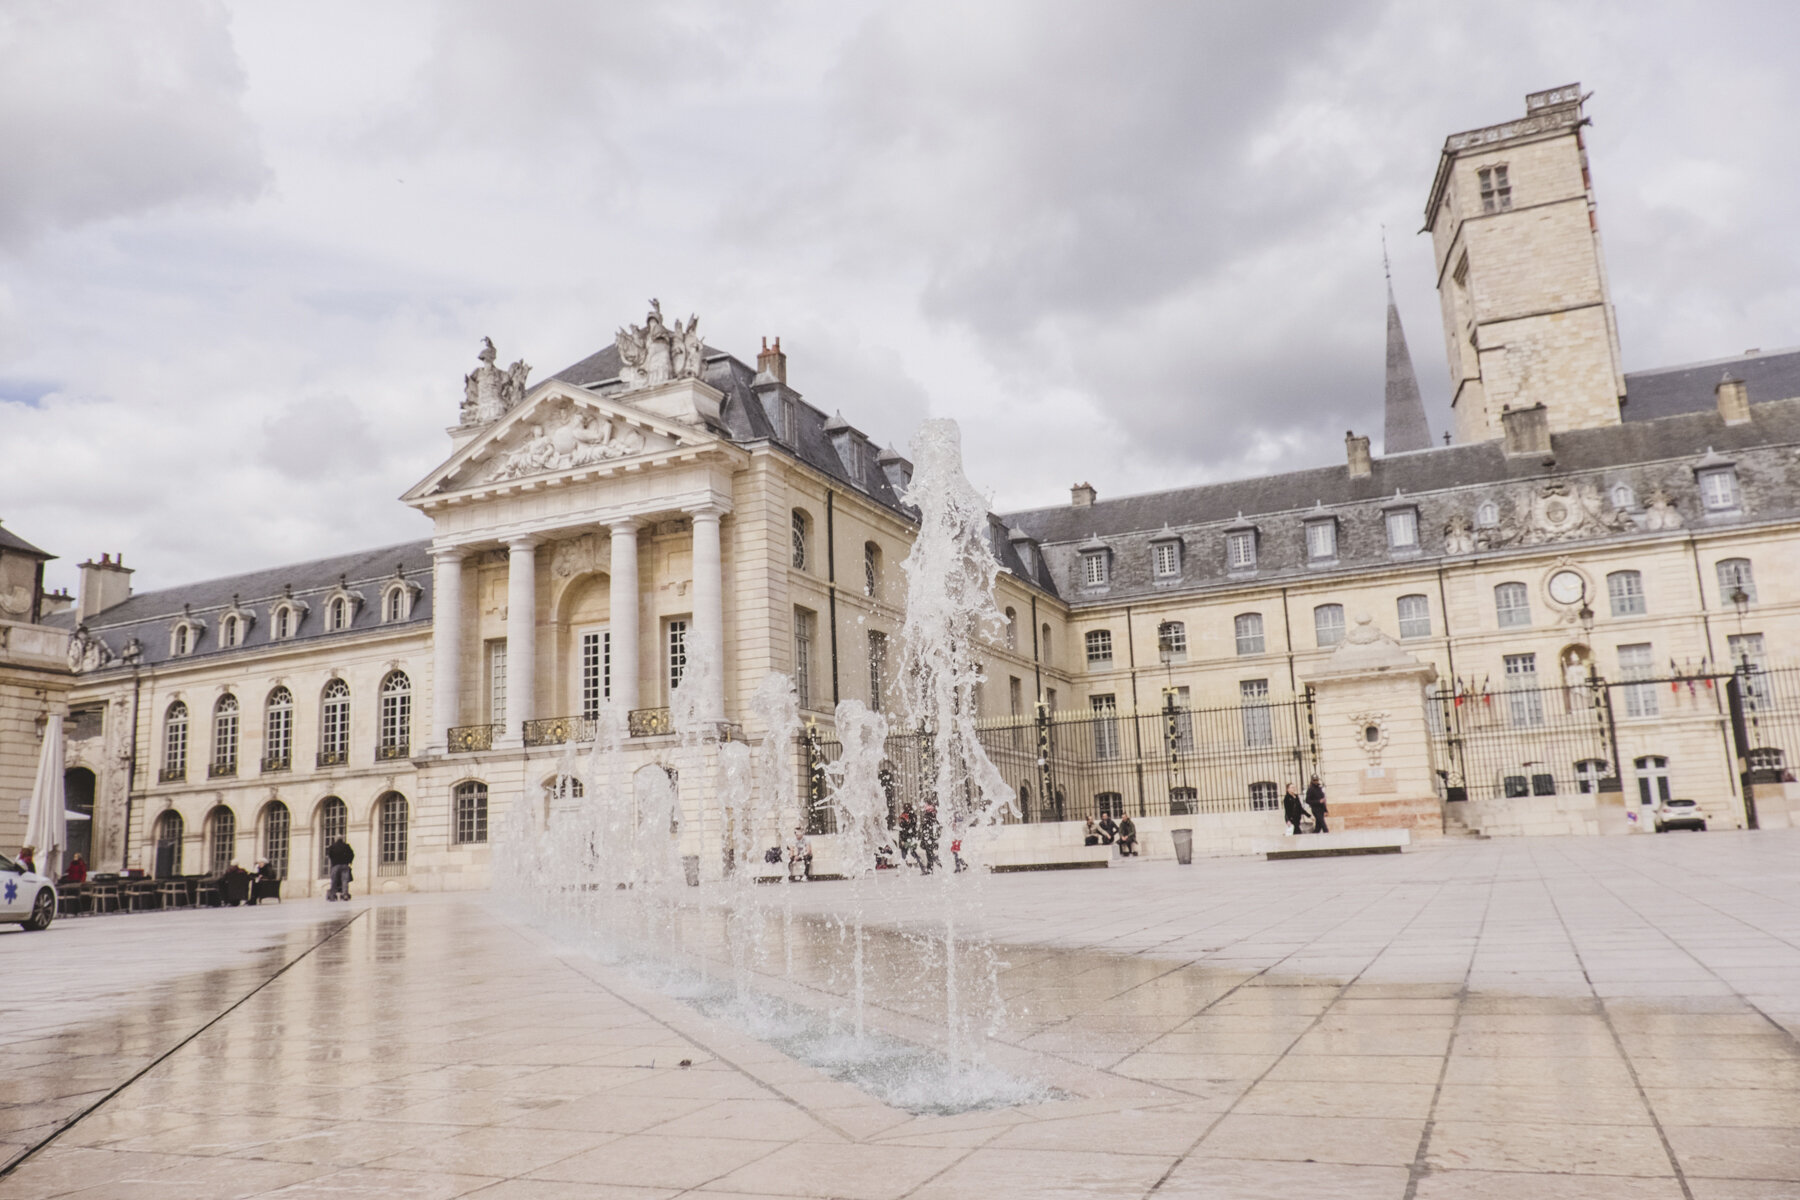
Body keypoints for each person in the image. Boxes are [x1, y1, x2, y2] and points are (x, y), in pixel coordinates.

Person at [324, 837, 354, 901]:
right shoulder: (346, 846)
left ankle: (332, 894)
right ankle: (345, 894)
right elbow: (352, 854)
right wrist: (349, 861)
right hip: (345, 865)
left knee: (334, 881)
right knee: (345, 881)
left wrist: (333, 861)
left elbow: (329, 854)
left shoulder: (332, 846)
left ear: (336, 840)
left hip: (335, 865)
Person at [918, 803, 941, 874]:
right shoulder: (932, 817)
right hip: (929, 838)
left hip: (928, 838)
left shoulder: (929, 817)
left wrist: (923, 834)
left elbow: (926, 827)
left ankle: (932, 867)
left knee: (929, 854)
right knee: (929, 854)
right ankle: (932, 867)